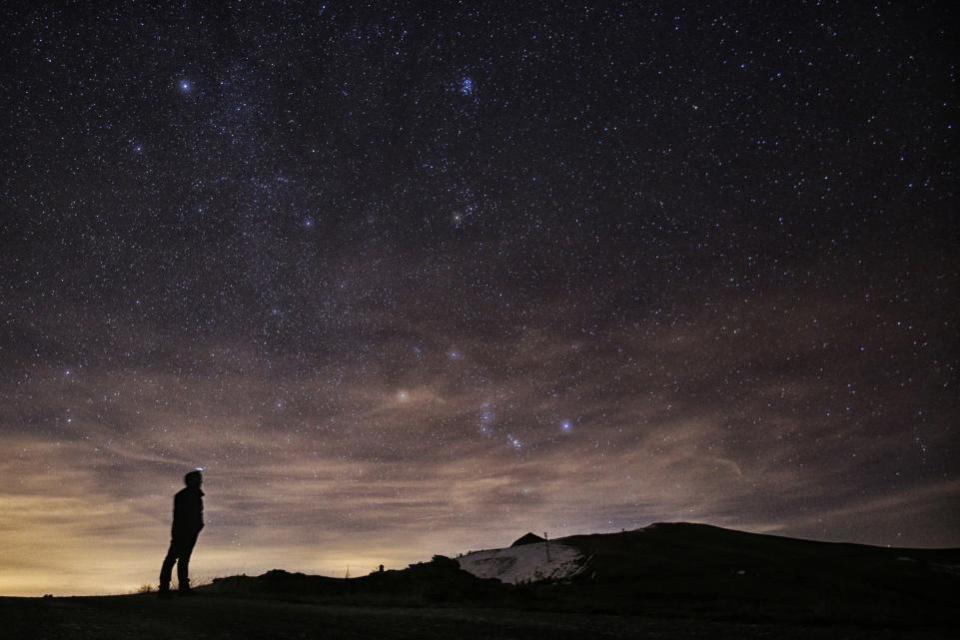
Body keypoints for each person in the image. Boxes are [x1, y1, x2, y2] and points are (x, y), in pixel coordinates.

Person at [159, 469, 204, 597]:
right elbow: (180, 516)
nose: (201, 481)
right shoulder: (184, 495)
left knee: (183, 559)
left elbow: (197, 514)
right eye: (197, 479)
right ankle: (164, 589)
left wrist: (198, 526)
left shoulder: (195, 495)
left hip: (190, 532)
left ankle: (182, 588)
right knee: (172, 559)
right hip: (182, 532)